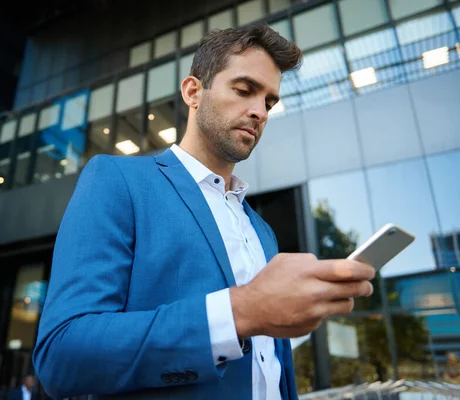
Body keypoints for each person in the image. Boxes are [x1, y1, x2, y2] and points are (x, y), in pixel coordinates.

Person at [33, 23, 375, 400]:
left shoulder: (261, 230)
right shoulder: (118, 180)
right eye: (245, 90)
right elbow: (61, 354)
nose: (259, 111)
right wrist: (241, 312)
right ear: (193, 92)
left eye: (269, 102)